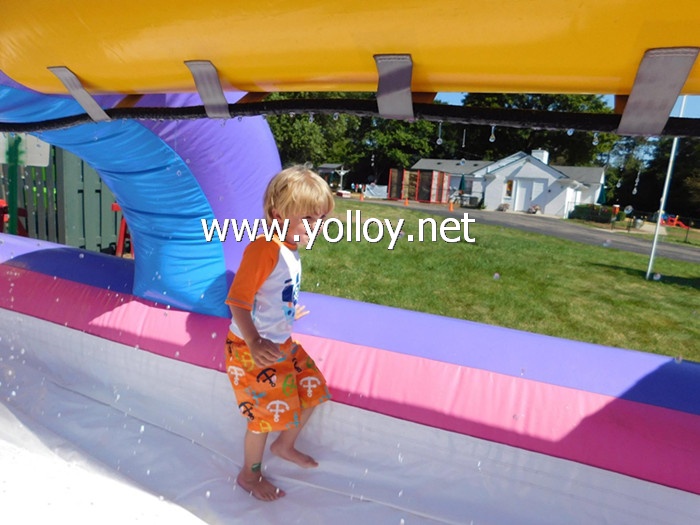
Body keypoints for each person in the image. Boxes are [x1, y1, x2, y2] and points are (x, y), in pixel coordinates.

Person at [224, 165, 334, 501]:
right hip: (250, 349)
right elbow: (238, 301)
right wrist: (255, 340)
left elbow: (271, 291)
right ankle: (249, 475)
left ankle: (285, 445)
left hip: (280, 341)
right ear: (278, 215)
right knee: (262, 419)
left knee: (314, 389)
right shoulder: (264, 248)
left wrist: (287, 312)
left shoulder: (289, 247)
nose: (317, 228)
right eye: (310, 220)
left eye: (321, 220)